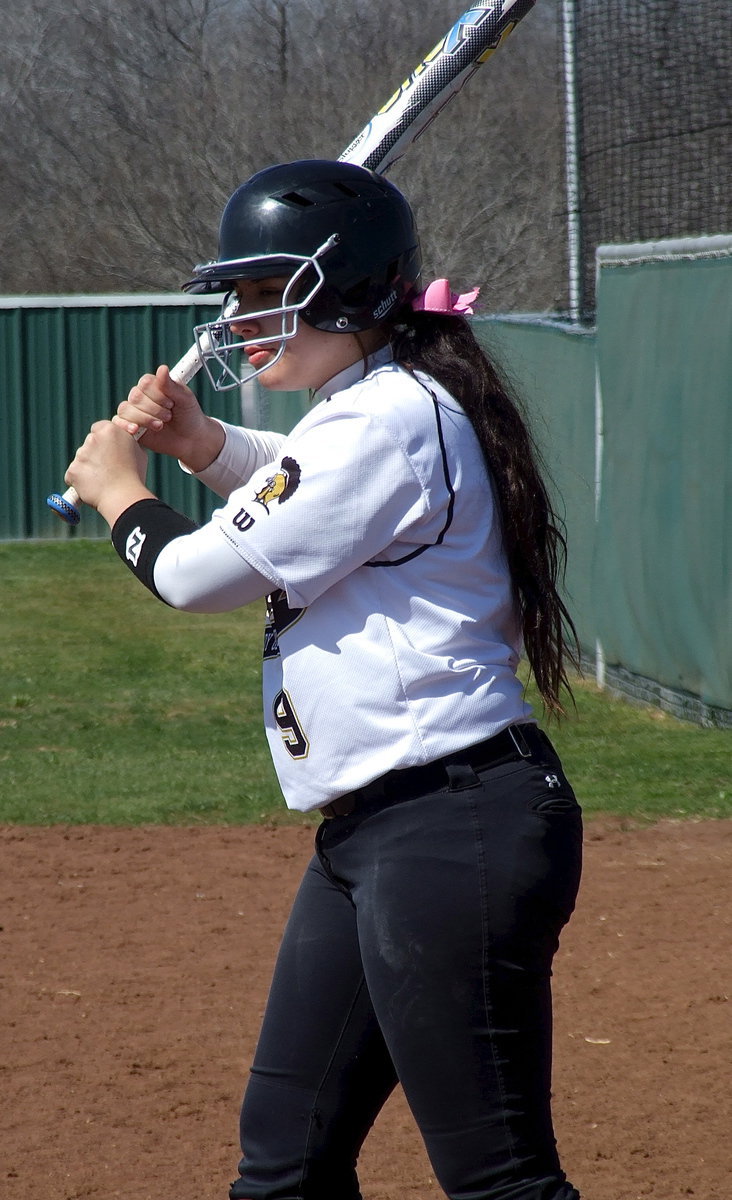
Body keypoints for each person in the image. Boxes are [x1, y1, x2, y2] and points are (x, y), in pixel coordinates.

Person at [66, 159, 584, 1200]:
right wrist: (206, 448)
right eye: (238, 295)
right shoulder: (376, 404)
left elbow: (195, 574)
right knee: (287, 1165)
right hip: (380, 833)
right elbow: (302, 478)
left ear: (343, 287)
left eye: (269, 292)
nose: (243, 319)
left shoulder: (385, 416)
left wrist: (123, 496)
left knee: (500, 1182)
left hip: (451, 827)